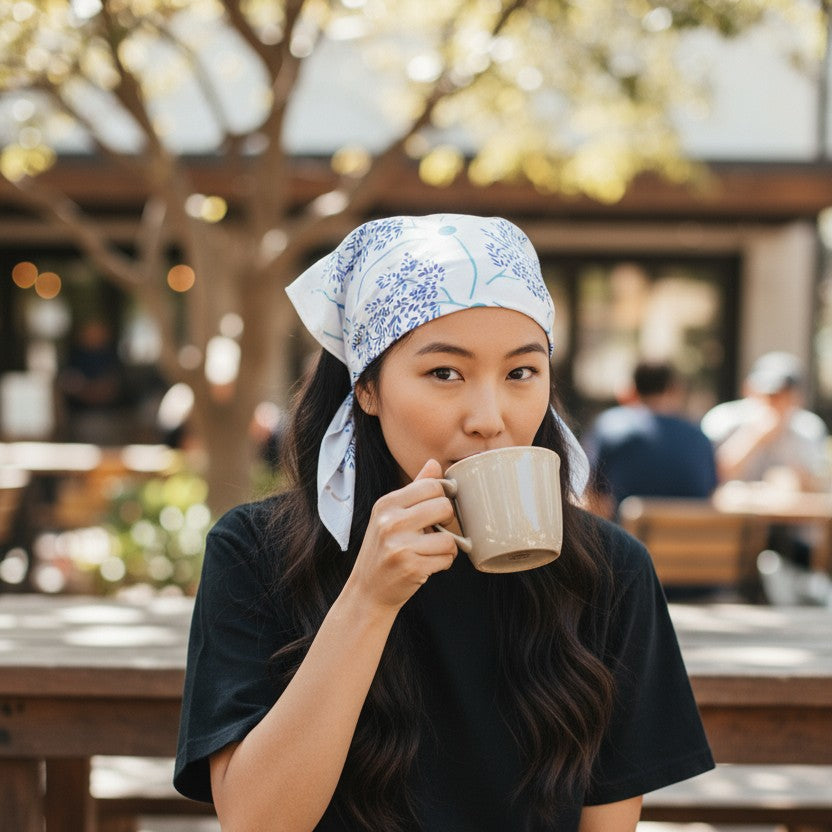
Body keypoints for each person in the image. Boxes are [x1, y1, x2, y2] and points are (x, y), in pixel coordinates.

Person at [174, 215, 714, 831]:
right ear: (367, 388)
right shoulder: (256, 552)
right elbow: (256, 823)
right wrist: (368, 601)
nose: (489, 417)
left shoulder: (610, 572)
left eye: (520, 373)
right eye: (445, 373)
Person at [701, 351, 829, 568]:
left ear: (797, 397)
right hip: (729, 531)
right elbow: (710, 476)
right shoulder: (723, 421)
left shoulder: (807, 428)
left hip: (789, 536)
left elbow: (818, 488)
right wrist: (755, 437)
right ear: (748, 390)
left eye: (782, 394)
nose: (772, 401)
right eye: (767, 393)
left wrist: (795, 476)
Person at [583, 361, 718, 519]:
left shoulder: (609, 427)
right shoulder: (699, 438)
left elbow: (593, 498)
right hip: (691, 540)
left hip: (625, 539)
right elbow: (711, 497)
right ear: (674, 389)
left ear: (633, 389)